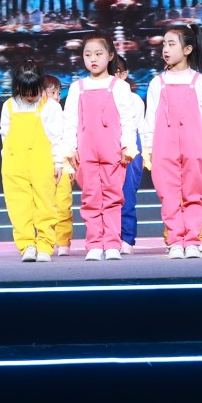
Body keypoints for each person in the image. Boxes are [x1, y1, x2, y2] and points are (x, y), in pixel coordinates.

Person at [62, 35, 142, 261]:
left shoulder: (119, 87)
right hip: (86, 150)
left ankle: (113, 243)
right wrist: (69, 148)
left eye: (98, 54)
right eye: (88, 55)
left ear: (110, 56)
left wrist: (128, 147)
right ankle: (94, 243)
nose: (93, 59)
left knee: (113, 196)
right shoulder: (77, 88)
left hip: (112, 150)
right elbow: (70, 121)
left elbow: (127, 119)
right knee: (90, 197)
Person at [144, 24, 202, 259]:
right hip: (163, 147)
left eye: (171, 44)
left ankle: (193, 240)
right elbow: (150, 118)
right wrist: (148, 149)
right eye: (164, 44)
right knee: (169, 195)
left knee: (194, 193)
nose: (165, 49)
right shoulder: (157, 83)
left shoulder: (200, 82)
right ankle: (175, 240)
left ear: (187, 49)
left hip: (194, 145)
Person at [0, 61, 63, 262]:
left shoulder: (50, 107)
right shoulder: (9, 106)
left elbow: (57, 137)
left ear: (41, 87)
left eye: (34, 92)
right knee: (19, 205)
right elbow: (4, 134)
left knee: (45, 204)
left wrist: (58, 163)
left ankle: (44, 245)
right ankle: (27, 245)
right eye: (25, 92)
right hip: (14, 162)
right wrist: (7, 159)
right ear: (17, 87)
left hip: (41, 161)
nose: (29, 97)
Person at [112, 54, 147, 255]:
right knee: (105, 195)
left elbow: (141, 127)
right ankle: (108, 237)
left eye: (114, 72)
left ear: (124, 74)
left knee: (127, 195)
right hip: (106, 146)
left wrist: (144, 154)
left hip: (132, 147)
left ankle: (126, 238)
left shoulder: (134, 99)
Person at [42, 72, 75, 256]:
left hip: (62, 166)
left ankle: (63, 241)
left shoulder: (63, 115)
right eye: (52, 93)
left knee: (63, 205)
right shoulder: (36, 115)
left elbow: (67, 140)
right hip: (42, 166)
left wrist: (69, 165)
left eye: (58, 93)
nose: (56, 97)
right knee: (44, 206)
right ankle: (46, 240)